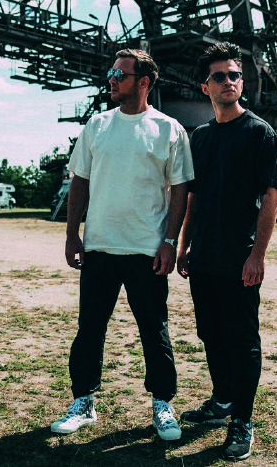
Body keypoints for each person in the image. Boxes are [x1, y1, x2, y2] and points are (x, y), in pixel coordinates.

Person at [51, 48, 194, 441]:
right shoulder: (97, 125)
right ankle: (83, 402)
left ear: (143, 82)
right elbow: (80, 181)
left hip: (147, 250)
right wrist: (72, 233)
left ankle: (162, 404)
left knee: (154, 329)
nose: (111, 79)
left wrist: (170, 241)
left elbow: (180, 191)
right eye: (111, 73)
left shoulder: (169, 129)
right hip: (99, 247)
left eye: (120, 74)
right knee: (89, 328)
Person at [177, 42, 277, 461]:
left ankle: (242, 419)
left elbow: (272, 196)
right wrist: (184, 244)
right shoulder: (201, 137)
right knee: (210, 333)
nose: (229, 81)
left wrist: (257, 255)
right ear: (205, 87)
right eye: (219, 76)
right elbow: (194, 197)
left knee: (242, 339)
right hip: (204, 255)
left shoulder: (260, 132)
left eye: (235, 75)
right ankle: (221, 401)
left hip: (240, 256)